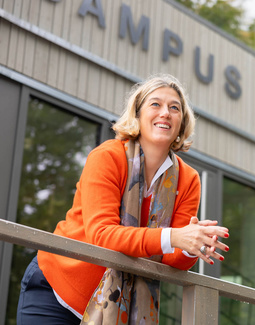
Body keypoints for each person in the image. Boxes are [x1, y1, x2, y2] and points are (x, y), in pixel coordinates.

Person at [17, 74, 229, 325]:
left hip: (118, 310)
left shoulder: (188, 179)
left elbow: (173, 260)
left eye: (175, 108)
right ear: (137, 114)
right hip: (57, 289)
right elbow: (102, 235)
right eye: (155, 104)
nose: (166, 113)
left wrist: (195, 245)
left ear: (182, 123)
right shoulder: (107, 156)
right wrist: (174, 236)